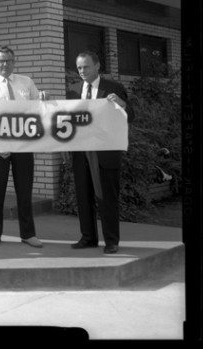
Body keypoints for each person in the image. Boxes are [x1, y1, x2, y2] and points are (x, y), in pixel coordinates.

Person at [66, 51, 134, 254]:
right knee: (83, 196)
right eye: (79, 67)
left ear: (97, 66)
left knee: (107, 197)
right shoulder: (73, 90)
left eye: (86, 66)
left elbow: (130, 115)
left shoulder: (114, 88)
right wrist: (48, 103)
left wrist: (121, 104)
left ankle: (111, 241)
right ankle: (88, 238)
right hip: (81, 152)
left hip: (105, 152)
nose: (82, 71)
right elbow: (67, 119)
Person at [0, 45, 44, 248]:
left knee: (24, 191)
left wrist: (44, 100)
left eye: (8, 60)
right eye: (0, 61)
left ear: (14, 62)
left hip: (23, 146)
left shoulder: (27, 82)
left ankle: (28, 233)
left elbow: (38, 111)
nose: (4, 64)